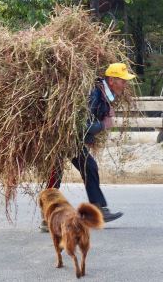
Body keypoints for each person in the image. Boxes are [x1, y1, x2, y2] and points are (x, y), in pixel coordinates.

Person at [40, 63, 135, 232]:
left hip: (69, 136)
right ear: (112, 80)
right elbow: (83, 125)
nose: (125, 84)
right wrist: (102, 125)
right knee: (60, 173)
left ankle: (96, 209)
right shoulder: (95, 93)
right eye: (123, 81)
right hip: (64, 136)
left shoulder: (104, 94)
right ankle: (92, 210)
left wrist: (91, 134)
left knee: (80, 169)